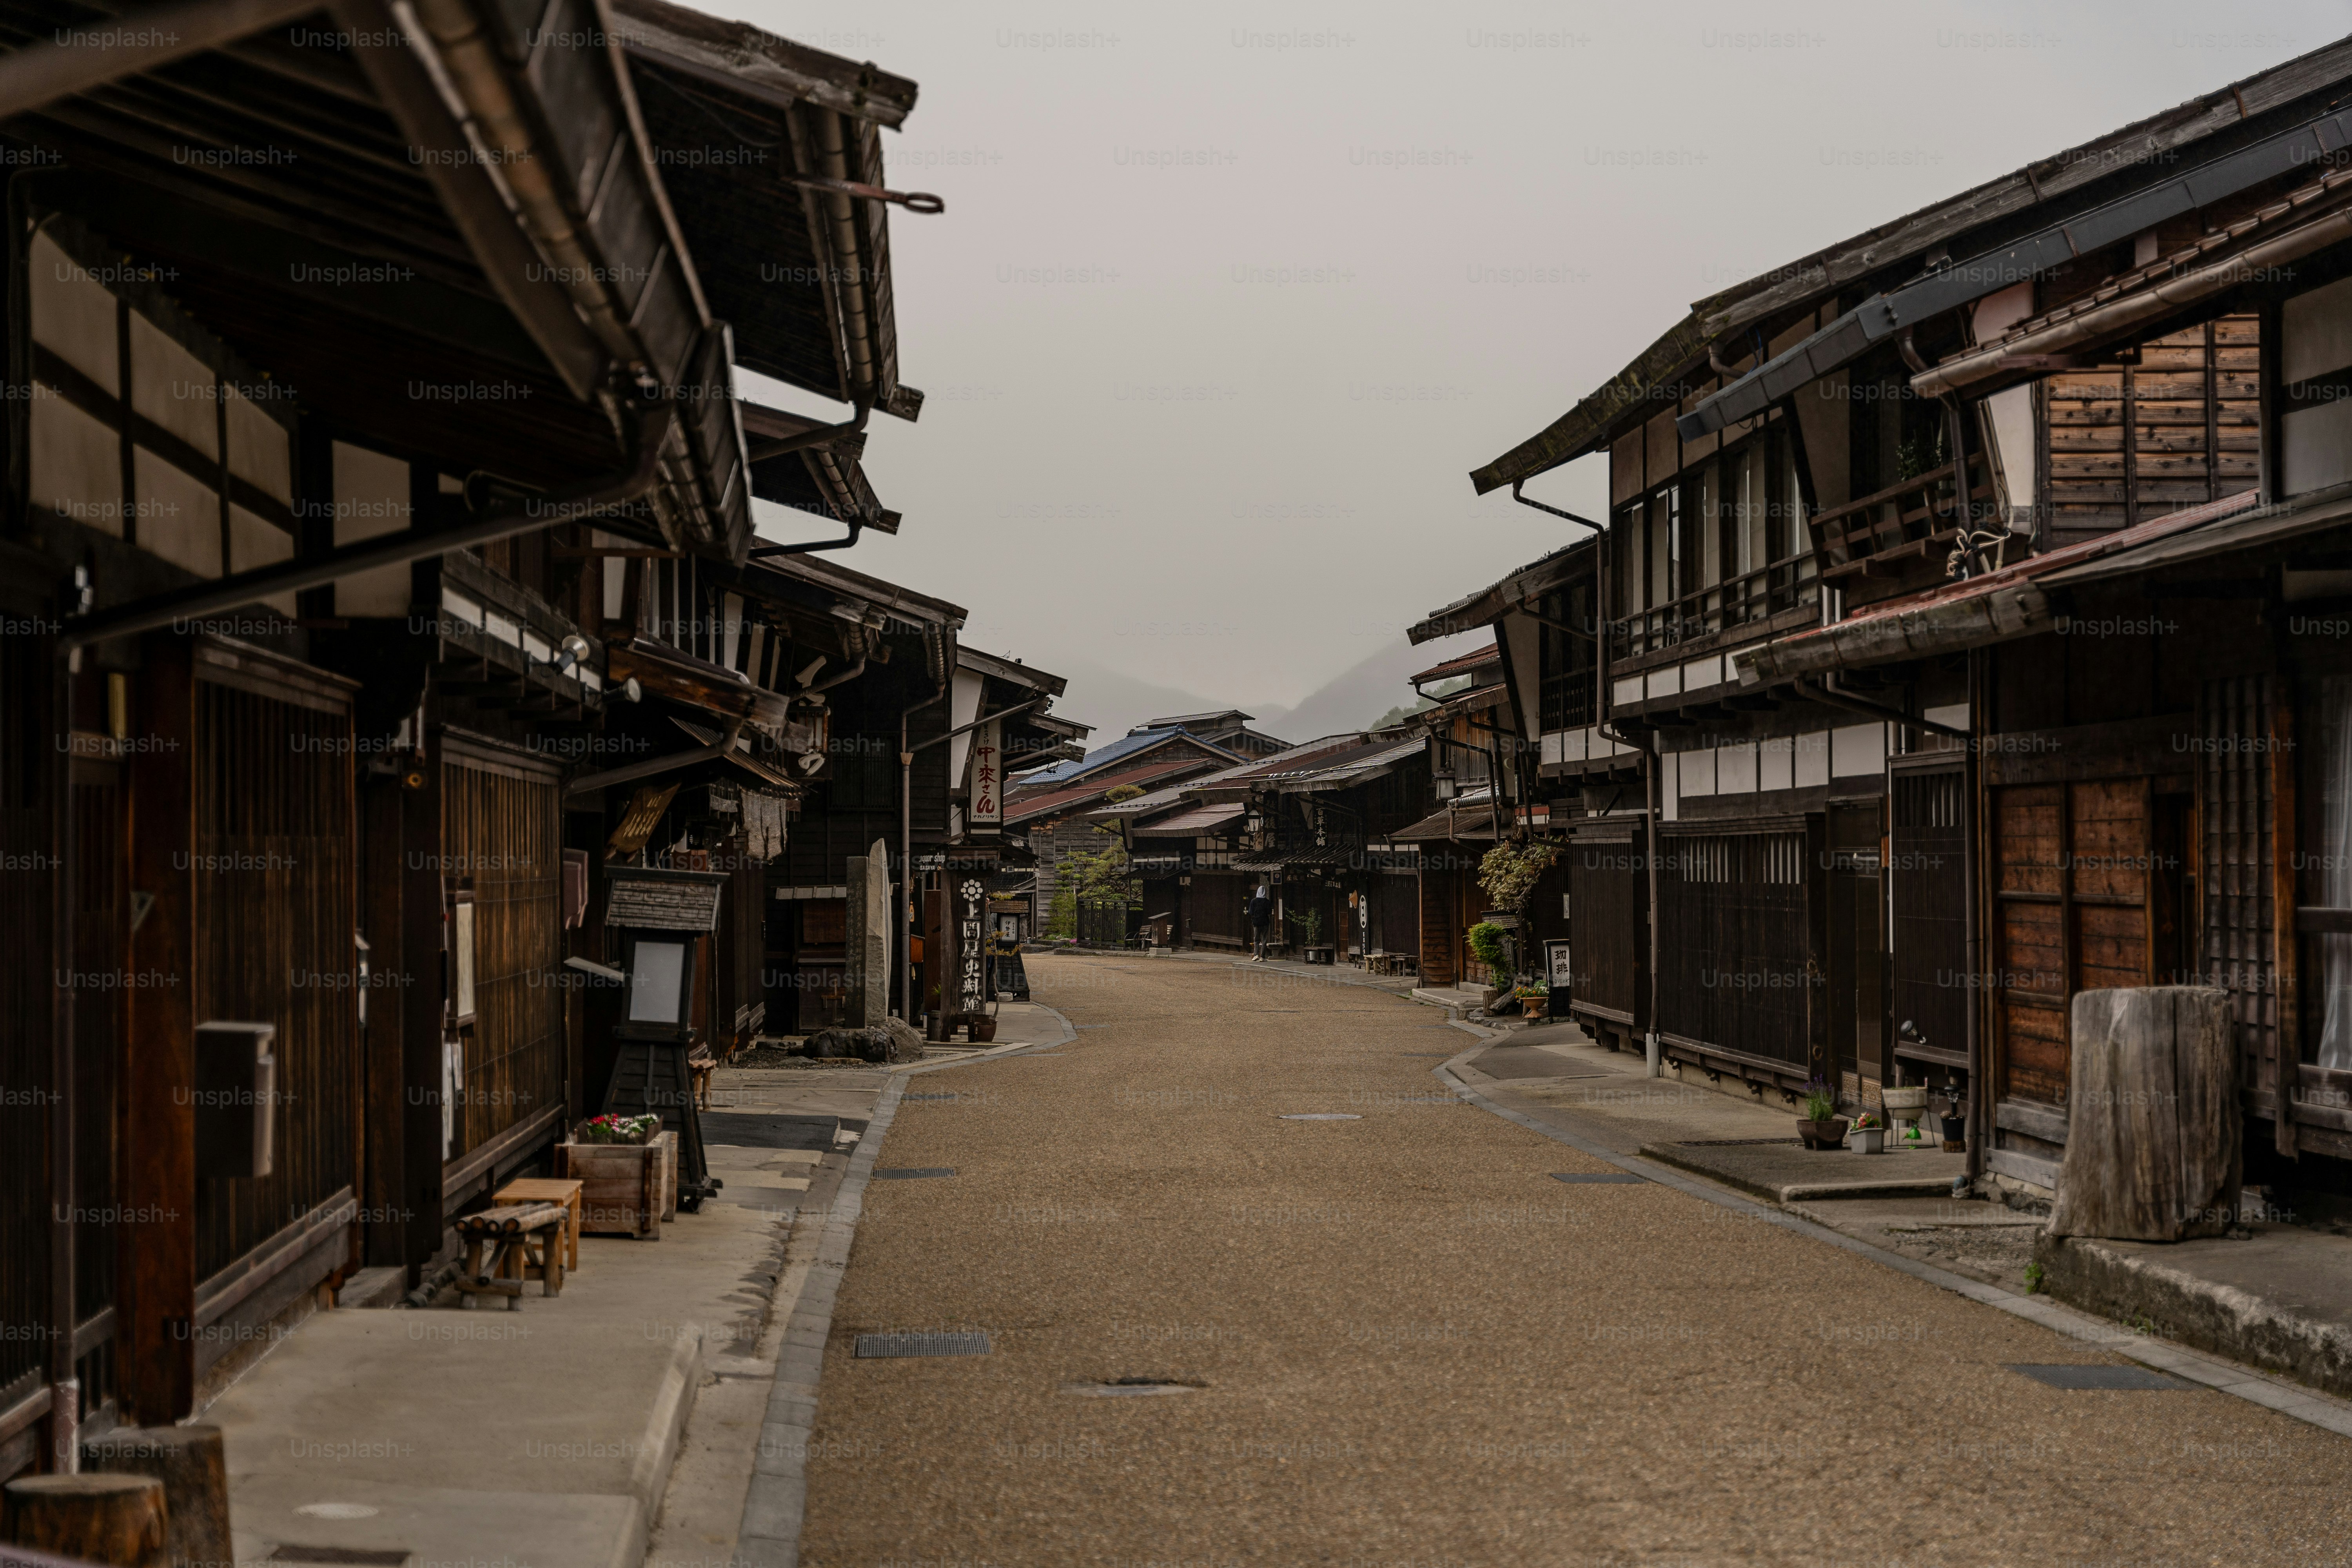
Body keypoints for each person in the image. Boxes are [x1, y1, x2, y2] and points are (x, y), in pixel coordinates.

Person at [1247, 882, 1272, 961]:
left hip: (1256, 922)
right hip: (1265, 922)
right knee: (1264, 939)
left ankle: (1256, 955)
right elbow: (1269, 912)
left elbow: (1251, 912)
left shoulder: (1254, 901)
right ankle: (1263, 957)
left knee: (1256, 940)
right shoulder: (1267, 902)